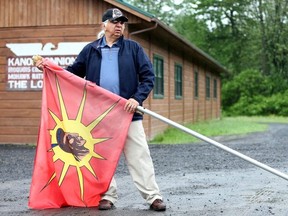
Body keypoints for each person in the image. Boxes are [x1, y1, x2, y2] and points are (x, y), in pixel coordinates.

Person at [35, 8, 166, 211]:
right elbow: (72, 75)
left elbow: (148, 77)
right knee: (102, 159)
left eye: (122, 22)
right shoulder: (91, 50)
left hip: (129, 113)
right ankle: (107, 195)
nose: (119, 25)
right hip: (100, 117)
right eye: (114, 22)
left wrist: (136, 98)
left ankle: (152, 197)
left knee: (140, 156)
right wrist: (49, 68)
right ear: (104, 25)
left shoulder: (133, 49)